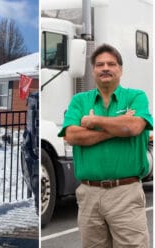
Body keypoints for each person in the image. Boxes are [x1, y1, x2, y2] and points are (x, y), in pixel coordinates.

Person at [58, 44, 153, 247]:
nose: (105, 68)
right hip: (89, 194)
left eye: (111, 64)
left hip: (126, 193)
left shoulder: (136, 97)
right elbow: (72, 135)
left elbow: (134, 127)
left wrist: (93, 122)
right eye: (100, 64)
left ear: (120, 69)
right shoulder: (79, 101)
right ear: (93, 71)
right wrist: (116, 129)